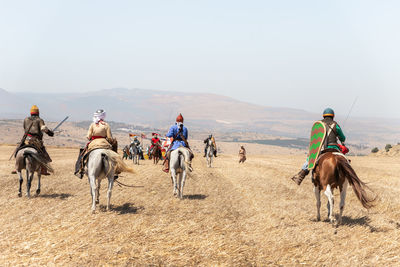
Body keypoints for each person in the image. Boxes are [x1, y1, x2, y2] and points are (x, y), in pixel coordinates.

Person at [291, 108, 346, 185]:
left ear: (323, 116)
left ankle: (301, 176)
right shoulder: (336, 125)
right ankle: (348, 178)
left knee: (309, 161)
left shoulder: (319, 125)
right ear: (333, 116)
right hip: (334, 148)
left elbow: (315, 140)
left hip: (322, 149)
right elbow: (343, 138)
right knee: (345, 161)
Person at [12, 105, 54, 175]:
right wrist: (50, 133)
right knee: (43, 153)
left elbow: (25, 128)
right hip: (36, 141)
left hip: (26, 139)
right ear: (38, 113)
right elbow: (43, 128)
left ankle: (16, 167)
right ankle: (43, 169)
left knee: (18, 150)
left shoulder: (26, 119)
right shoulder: (40, 120)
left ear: (31, 112)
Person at [74, 109, 116, 178]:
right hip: (104, 143)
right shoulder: (106, 125)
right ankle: (115, 172)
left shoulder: (93, 125)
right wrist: (109, 140)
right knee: (114, 156)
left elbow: (88, 136)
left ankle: (80, 170)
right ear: (104, 116)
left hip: (93, 143)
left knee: (82, 154)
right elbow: (109, 137)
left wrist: (92, 138)